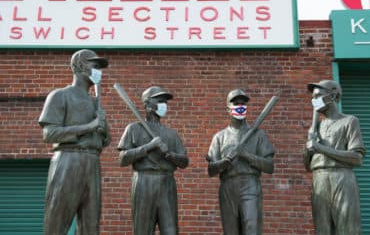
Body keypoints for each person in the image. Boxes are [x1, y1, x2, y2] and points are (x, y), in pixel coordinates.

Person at [38, 49, 111, 234]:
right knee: (57, 222)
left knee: (90, 225)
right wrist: (89, 126)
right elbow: (50, 134)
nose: (98, 70)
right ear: (79, 66)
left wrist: (104, 130)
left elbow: (105, 141)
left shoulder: (96, 103)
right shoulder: (60, 96)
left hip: (92, 161)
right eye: (93, 65)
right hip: (68, 160)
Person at [117, 86, 189, 235]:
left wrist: (171, 156)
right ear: (148, 105)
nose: (164, 105)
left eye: (165, 102)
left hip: (166, 182)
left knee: (170, 230)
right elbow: (123, 159)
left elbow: (184, 161)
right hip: (144, 181)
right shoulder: (134, 129)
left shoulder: (171, 134)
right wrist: (149, 147)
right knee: (142, 230)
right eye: (160, 101)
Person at [206, 89, 274, 235]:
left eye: (243, 103)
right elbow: (211, 170)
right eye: (236, 103)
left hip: (250, 184)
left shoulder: (258, 134)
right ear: (228, 109)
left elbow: (270, 166)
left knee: (251, 228)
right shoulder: (220, 137)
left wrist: (246, 155)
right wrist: (225, 162)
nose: (240, 106)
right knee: (230, 231)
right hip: (228, 185)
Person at [304, 80, 366, 235]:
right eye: (313, 97)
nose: (314, 100)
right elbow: (307, 165)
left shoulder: (349, 121)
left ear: (333, 96)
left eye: (318, 95)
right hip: (319, 179)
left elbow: (357, 158)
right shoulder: (315, 128)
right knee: (322, 229)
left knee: (347, 228)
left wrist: (320, 147)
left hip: (342, 177)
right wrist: (309, 148)